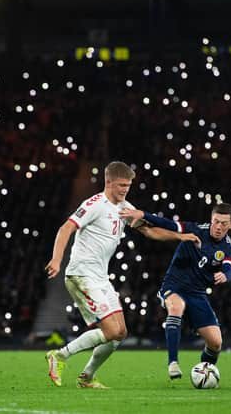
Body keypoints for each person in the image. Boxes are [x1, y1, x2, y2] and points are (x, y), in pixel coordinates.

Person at [44, 161, 200, 388]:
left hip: (101, 277)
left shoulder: (124, 206)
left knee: (120, 333)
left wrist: (180, 237)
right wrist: (57, 259)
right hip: (81, 274)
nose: (125, 189)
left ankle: (86, 377)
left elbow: (149, 230)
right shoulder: (94, 204)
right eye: (121, 185)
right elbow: (66, 227)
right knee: (110, 330)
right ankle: (59, 356)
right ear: (108, 182)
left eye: (128, 185)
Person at [119, 203, 231, 379]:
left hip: (197, 294)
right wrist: (143, 213)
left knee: (216, 343)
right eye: (216, 221)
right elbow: (168, 224)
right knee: (176, 307)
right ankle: (173, 363)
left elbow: (229, 265)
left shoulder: (228, 247)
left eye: (224, 224)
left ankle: (205, 372)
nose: (218, 227)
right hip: (174, 286)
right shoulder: (196, 230)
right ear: (211, 219)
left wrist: (225, 275)